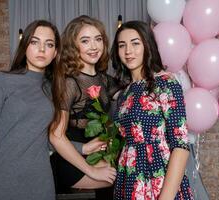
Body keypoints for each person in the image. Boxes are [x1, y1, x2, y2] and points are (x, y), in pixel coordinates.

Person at [0, 20, 60, 200]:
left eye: (49, 44)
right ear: (25, 45)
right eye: (34, 42)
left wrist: (84, 147)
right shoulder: (2, 81)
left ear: (55, 52)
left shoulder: (54, 89)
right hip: (2, 181)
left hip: (40, 183)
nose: (42, 49)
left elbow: (49, 140)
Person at [111, 21, 193, 199]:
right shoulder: (124, 93)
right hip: (129, 178)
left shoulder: (165, 83)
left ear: (147, 45)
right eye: (121, 45)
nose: (128, 51)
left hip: (159, 177)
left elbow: (180, 146)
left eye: (135, 43)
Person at [49, 15, 119, 197]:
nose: (94, 46)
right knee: (124, 178)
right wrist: (91, 170)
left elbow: (134, 96)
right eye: (85, 41)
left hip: (97, 156)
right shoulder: (69, 83)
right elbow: (56, 136)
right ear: (74, 46)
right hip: (74, 163)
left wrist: (157, 75)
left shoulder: (105, 80)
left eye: (98, 39)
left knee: (130, 170)